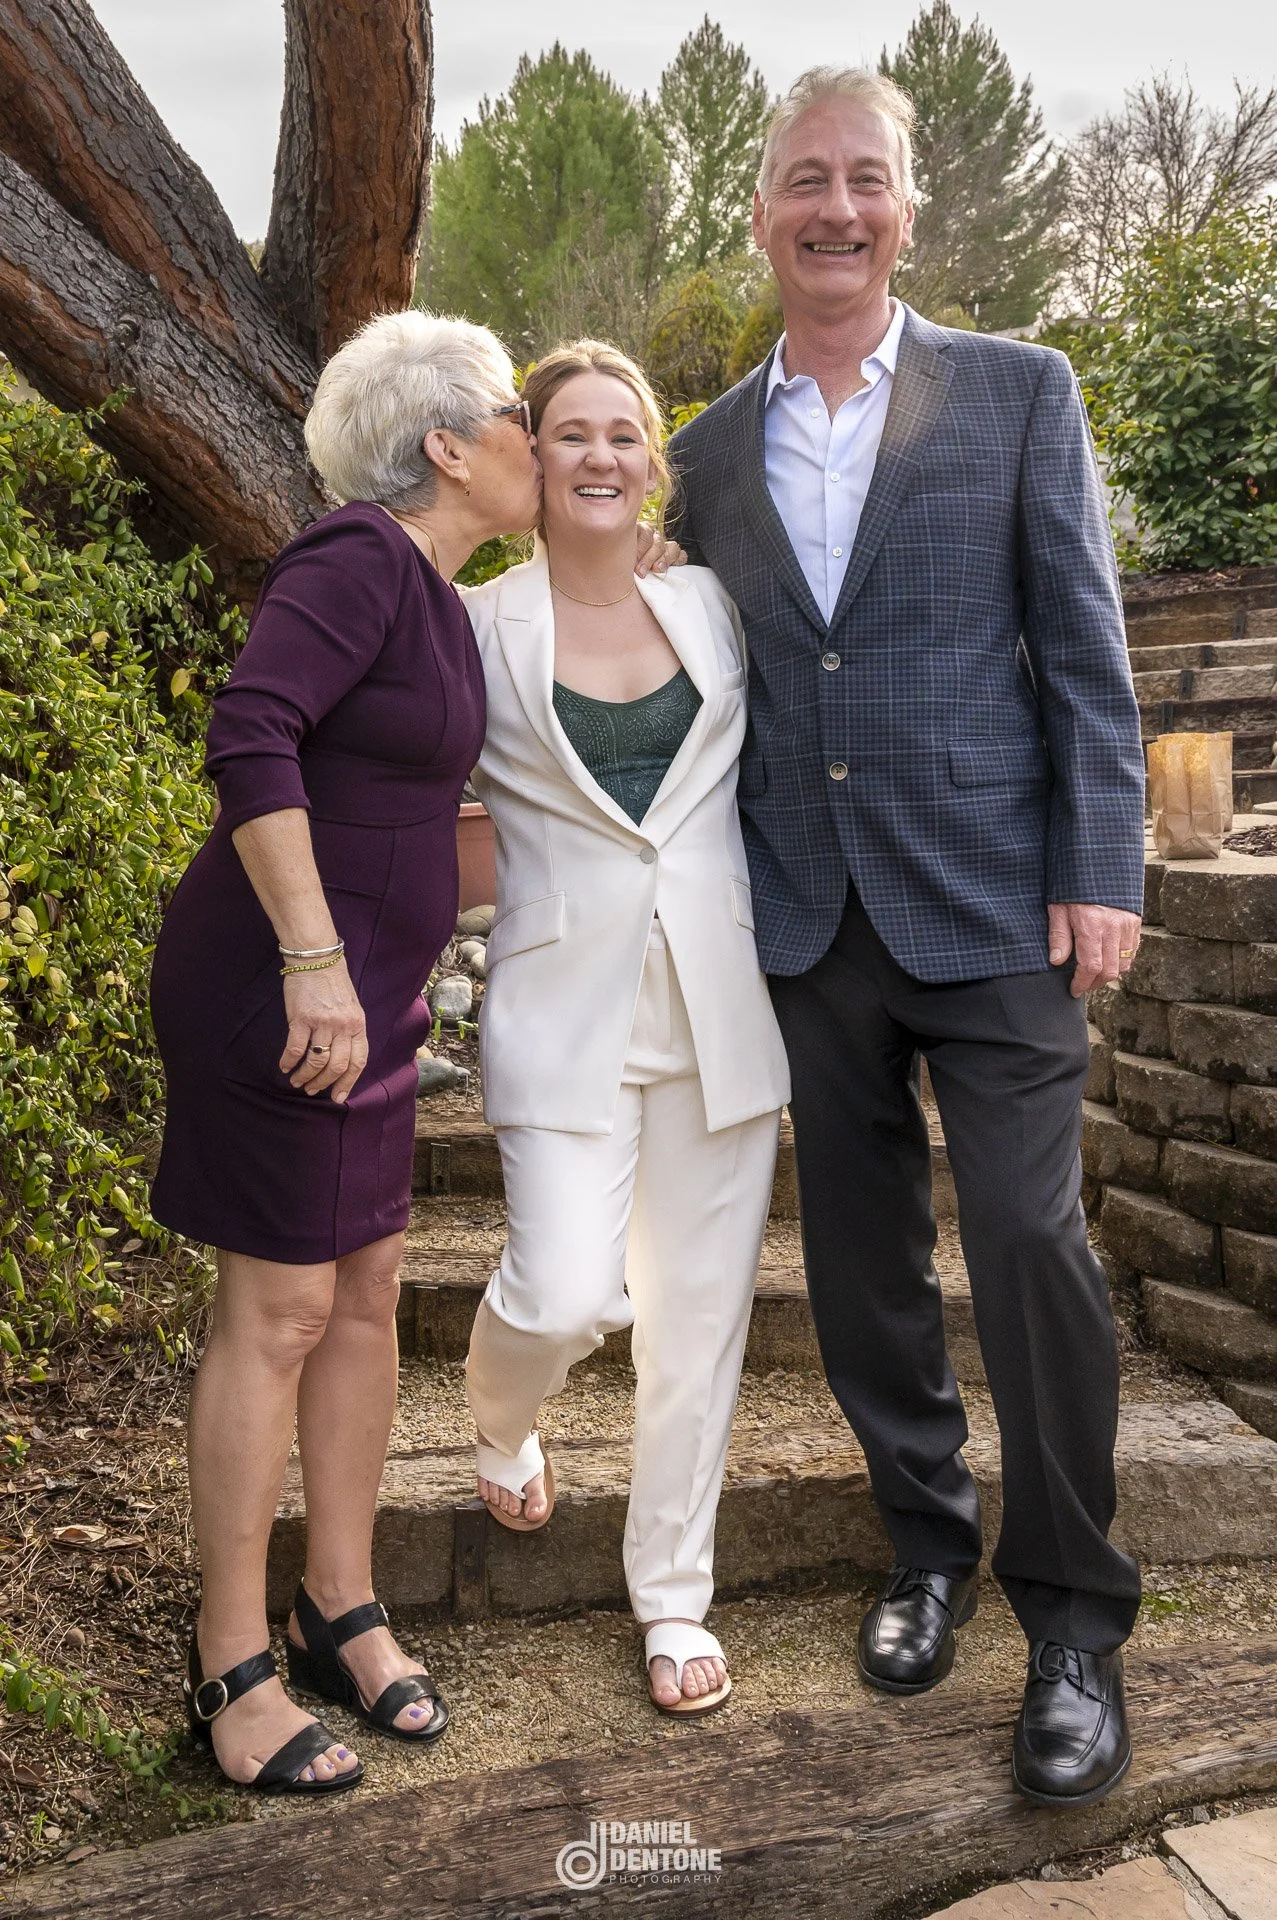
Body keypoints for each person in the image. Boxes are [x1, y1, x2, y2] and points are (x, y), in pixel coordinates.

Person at [667, 69, 1146, 1806]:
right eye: (807, 180)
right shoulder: (704, 452)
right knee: (864, 1268)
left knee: (1027, 1240)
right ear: (762, 213)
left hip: (999, 900)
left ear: (909, 211)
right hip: (807, 912)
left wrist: (1105, 866)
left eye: (866, 180)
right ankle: (925, 1548)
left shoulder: (1020, 391)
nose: (838, 209)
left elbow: (1083, 648)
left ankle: (1074, 1619)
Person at [150, 312, 675, 1792]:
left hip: (371, 1002)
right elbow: (252, 735)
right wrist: (312, 961)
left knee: (367, 1299)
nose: (535, 435)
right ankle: (231, 1658)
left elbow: (420, 819)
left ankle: (339, 1603)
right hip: (279, 988)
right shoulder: (357, 556)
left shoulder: (439, 602)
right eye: (516, 414)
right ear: (447, 445)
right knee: (280, 1312)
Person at [461, 342, 791, 1715]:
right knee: (565, 1294)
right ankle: (498, 1419)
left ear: (654, 461)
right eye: (571, 434)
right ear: (531, 457)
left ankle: (673, 1595)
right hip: (561, 1008)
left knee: (698, 1327)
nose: (598, 455)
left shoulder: (713, 603)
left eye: (622, 434)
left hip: (718, 1007)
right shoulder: (479, 625)